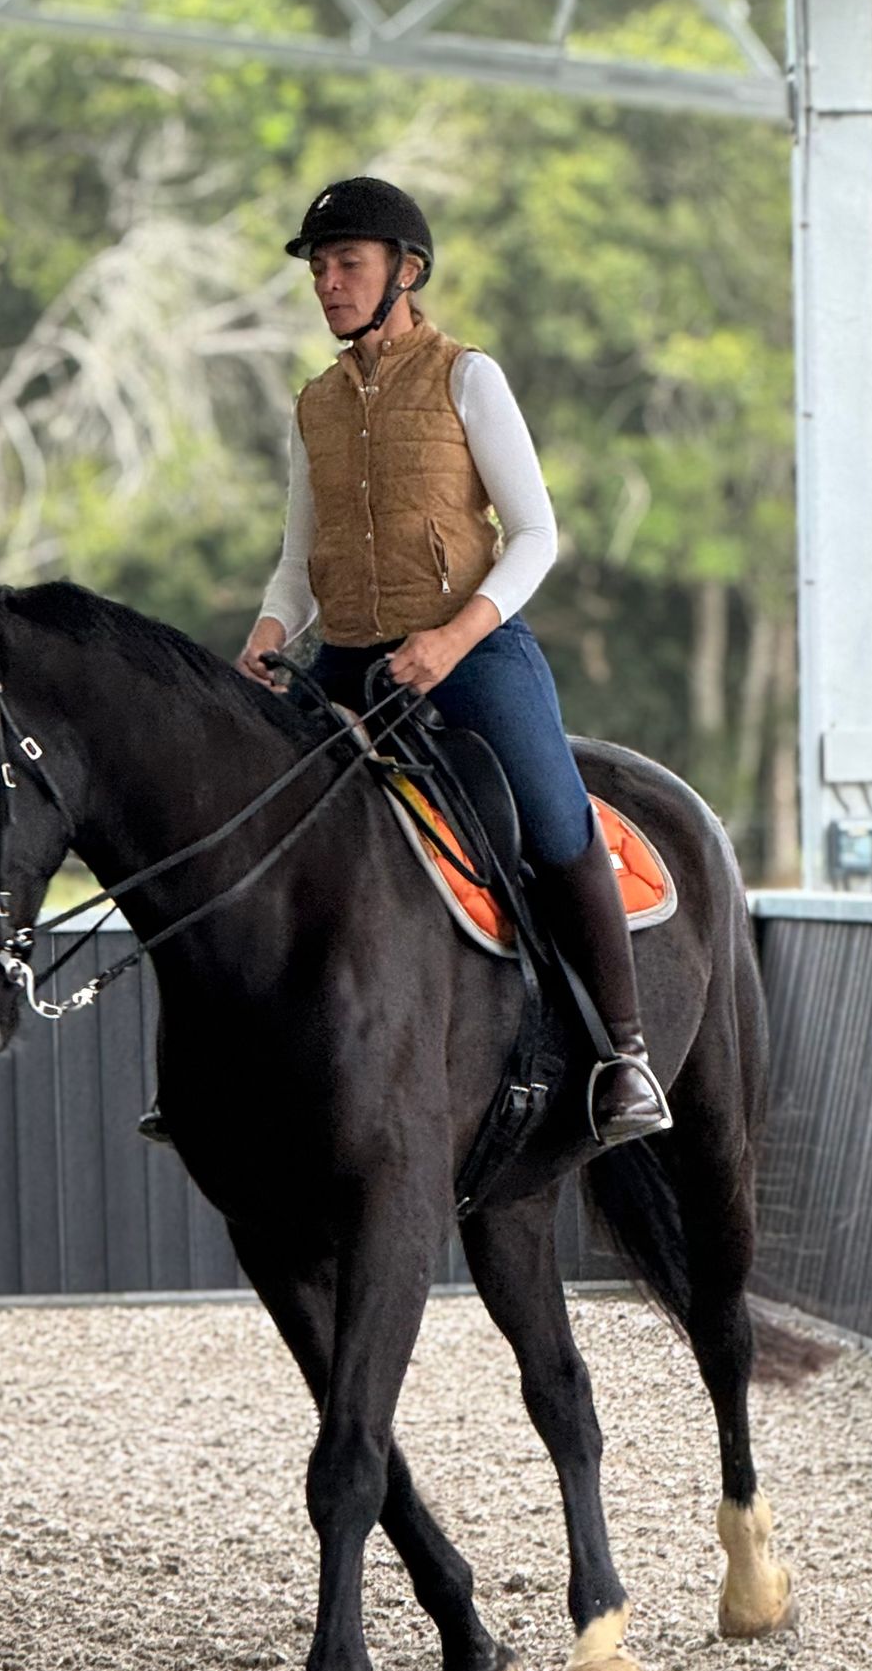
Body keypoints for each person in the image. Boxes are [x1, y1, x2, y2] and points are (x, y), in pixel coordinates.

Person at [236, 175, 671, 1147]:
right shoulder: (314, 405)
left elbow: (536, 534)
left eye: (347, 263)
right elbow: (298, 560)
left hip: (471, 650)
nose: (328, 283)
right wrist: (270, 634)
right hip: (347, 659)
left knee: (555, 815)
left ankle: (625, 1054)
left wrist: (453, 635)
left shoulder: (468, 377)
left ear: (407, 271)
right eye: (319, 267)